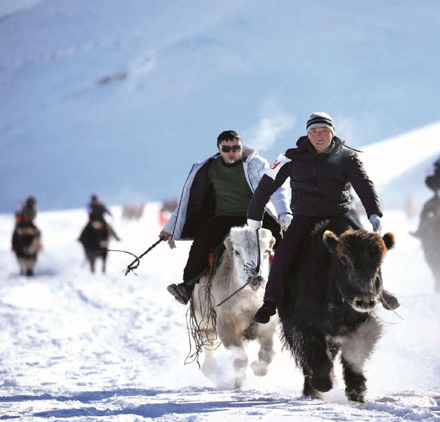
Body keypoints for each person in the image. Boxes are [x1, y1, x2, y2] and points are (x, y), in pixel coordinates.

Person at [249, 112, 399, 324]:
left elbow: (364, 184)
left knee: (368, 247)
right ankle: (270, 302)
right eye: (314, 131)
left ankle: (379, 291)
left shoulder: (347, 157)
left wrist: (374, 212)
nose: (319, 136)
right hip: (303, 217)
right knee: (283, 254)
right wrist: (254, 216)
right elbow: (267, 185)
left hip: (339, 215)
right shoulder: (290, 158)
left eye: (324, 131)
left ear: (332, 133)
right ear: (308, 134)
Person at [163, 130, 291, 305]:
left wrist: (284, 214)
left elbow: (275, 187)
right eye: (226, 148)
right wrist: (168, 228)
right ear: (219, 149)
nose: (231, 152)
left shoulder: (255, 164)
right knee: (201, 242)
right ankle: (187, 286)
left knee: (285, 239)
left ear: (241, 146)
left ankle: (295, 283)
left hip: (254, 214)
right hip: (224, 217)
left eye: (236, 148)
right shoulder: (208, 169)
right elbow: (187, 202)